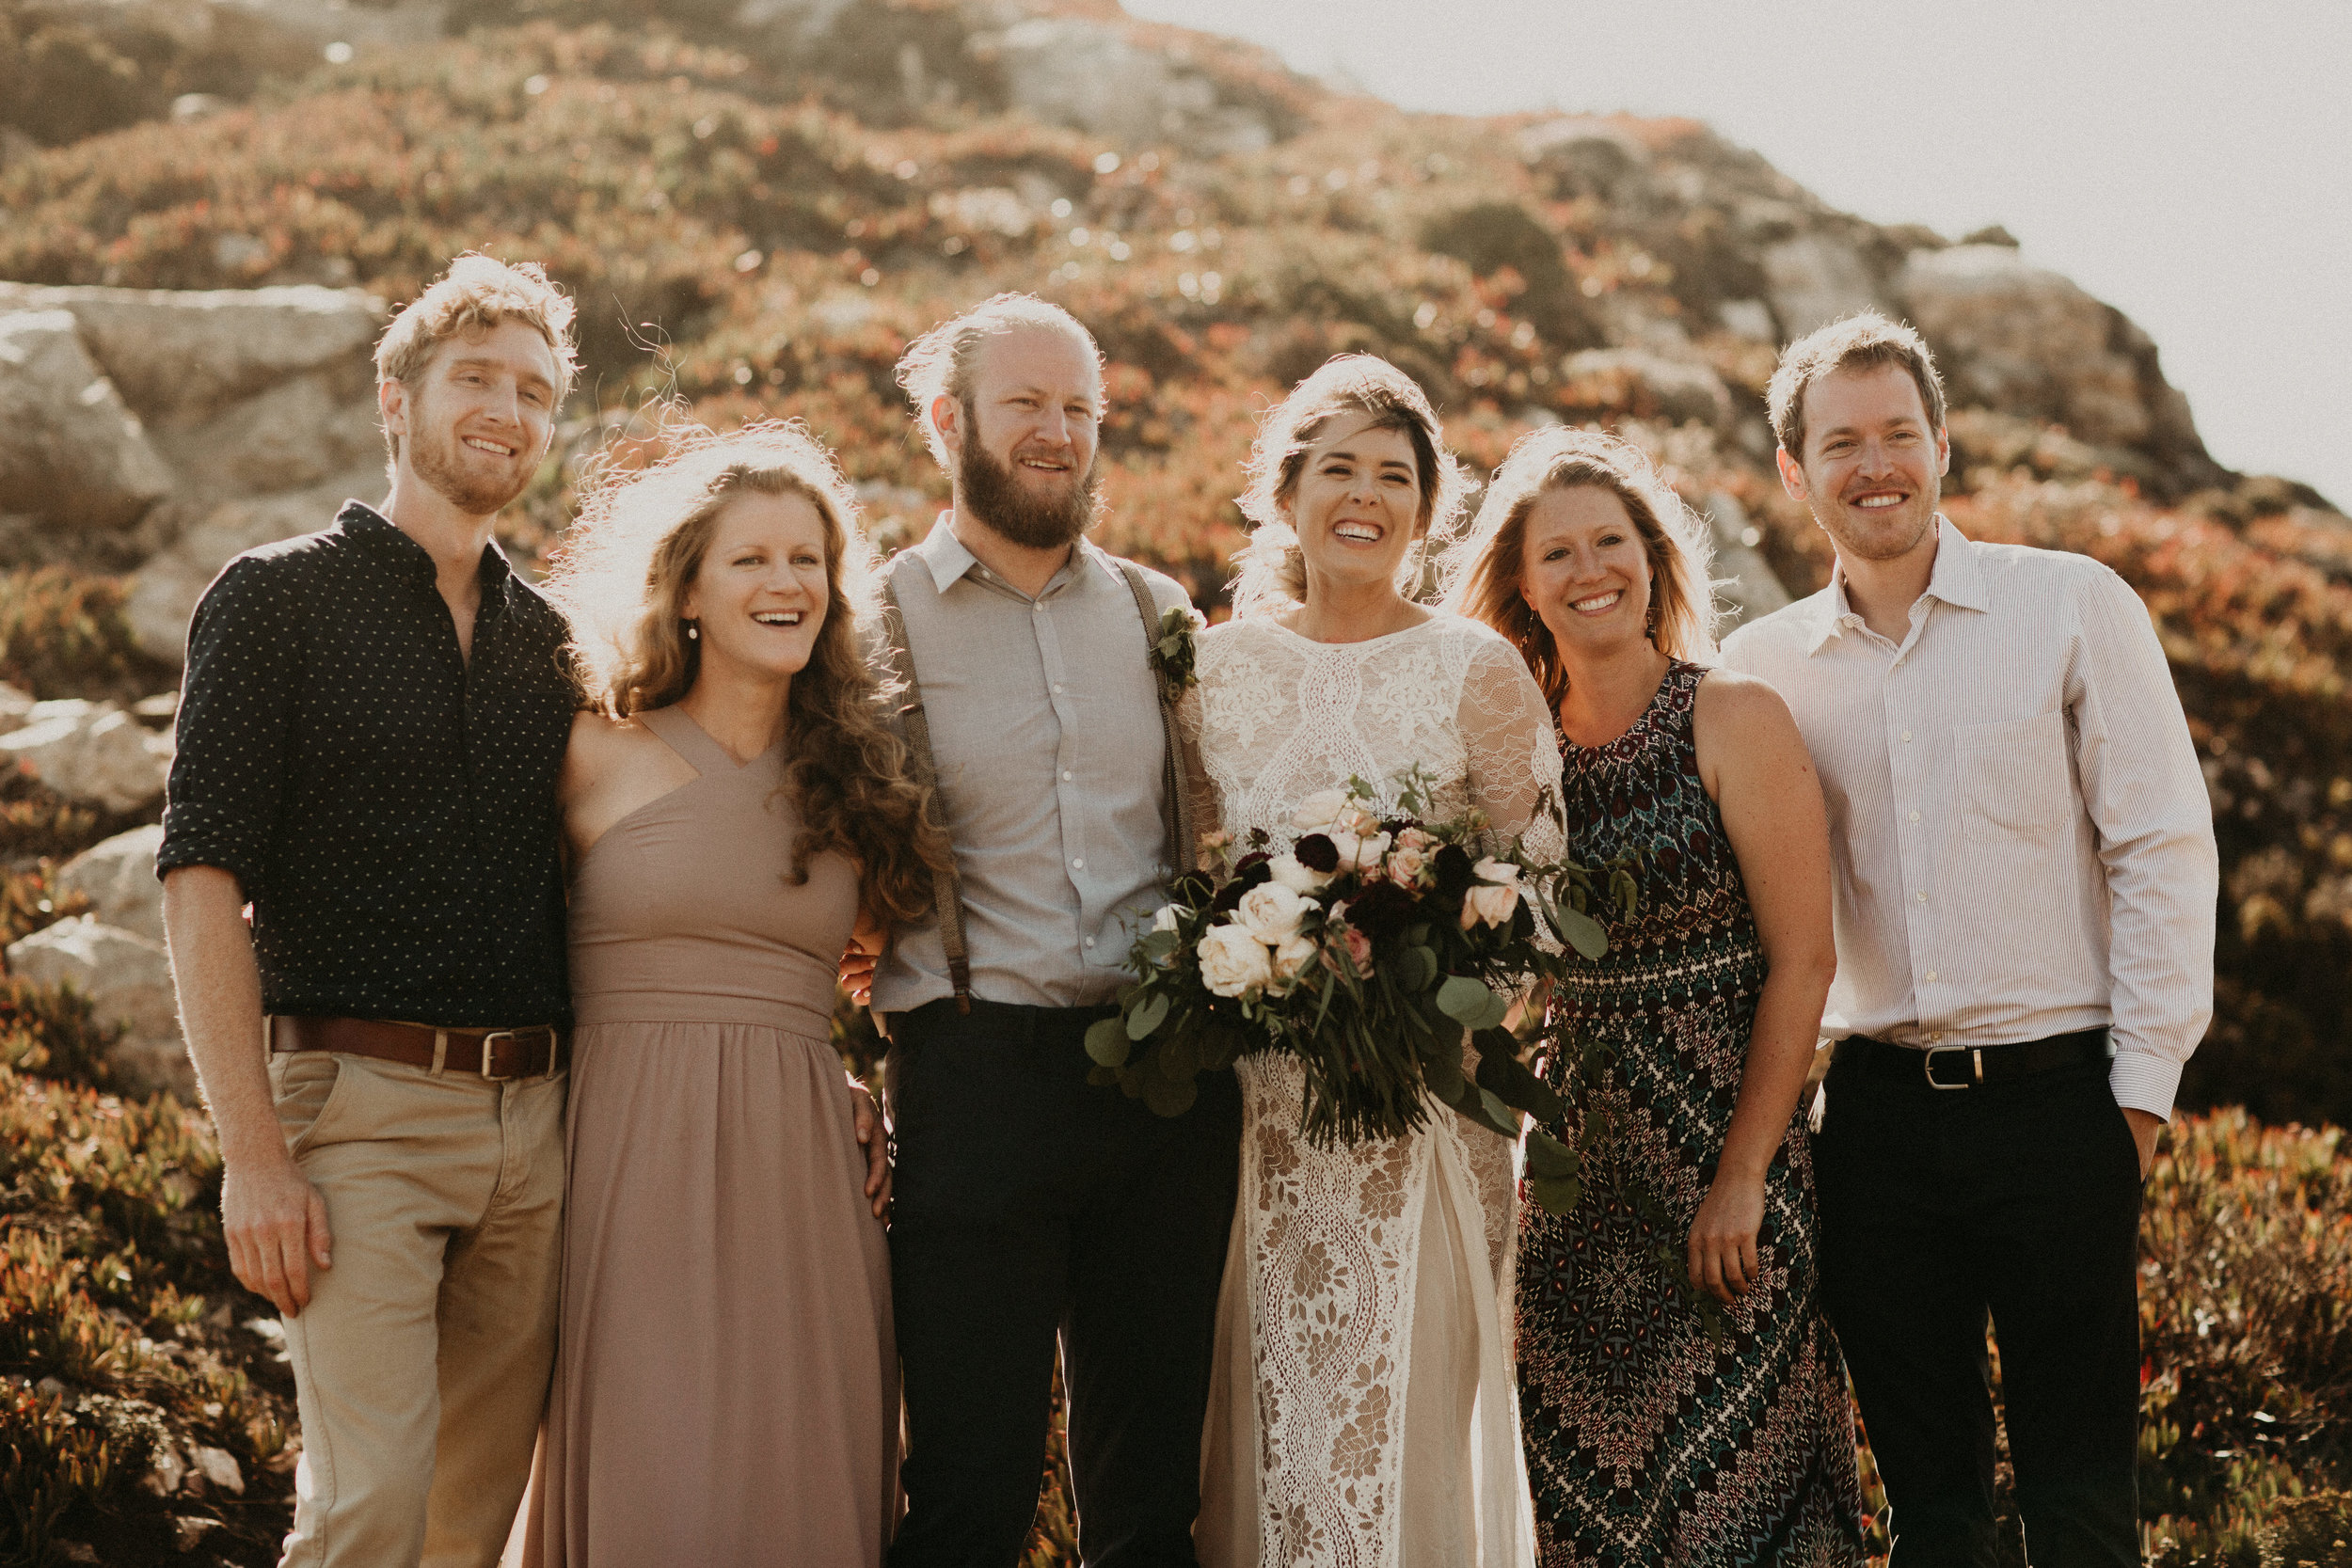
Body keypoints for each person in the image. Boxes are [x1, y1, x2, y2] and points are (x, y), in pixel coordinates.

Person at [1720, 312, 2218, 1566]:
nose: (1874, 462)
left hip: (2064, 1104)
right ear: (1794, 471)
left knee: (2084, 1497)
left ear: (1943, 444)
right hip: (1878, 1126)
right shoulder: (1761, 663)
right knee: (1935, 1514)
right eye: (1841, 442)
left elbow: (2160, 845)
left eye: (1899, 433)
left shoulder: (2069, 605)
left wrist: (2139, 1103)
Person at [158, 255, 580, 1567]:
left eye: (538, 390)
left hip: (542, 1128)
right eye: (477, 377)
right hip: (357, 1122)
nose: (508, 409)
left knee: (475, 1522)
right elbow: (199, 882)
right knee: (368, 1510)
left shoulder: (558, 643)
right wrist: (255, 1153)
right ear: (395, 399)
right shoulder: (273, 599)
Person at [868, 293, 1243, 1568]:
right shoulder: (874, 619)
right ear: (946, 421)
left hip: (1166, 1083)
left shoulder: (1155, 610)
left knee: (1149, 1507)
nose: (1057, 431)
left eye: (1079, 408)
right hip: (973, 1073)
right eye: (1026, 402)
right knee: (969, 1488)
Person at [1448, 426, 1864, 1566]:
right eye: (1558, 554)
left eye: (1610, 542)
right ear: (1523, 587)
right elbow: (1505, 972)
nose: (1590, 571)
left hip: (1726, 1168)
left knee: (1741, 1499)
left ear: (1653, 556)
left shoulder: (1730, 713)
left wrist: (1742, 1175)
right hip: (1576, 1190)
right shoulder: (1510, 745)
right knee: (1582, 1510)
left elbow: (1804, 962)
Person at [524, 422, 935, 1565]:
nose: (785, 582)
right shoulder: (589, 752)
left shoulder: (853, 781)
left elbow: (865, 972)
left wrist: (850, 1076)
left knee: (795, 1473)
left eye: (807, 560)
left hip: (805, 1170)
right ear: (688, 588)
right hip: (623, 1159)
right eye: (751, 558)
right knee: (656, 1471)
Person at [1190, 355, 1559, 1568]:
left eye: (1392, 475)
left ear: (1425, 504)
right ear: (1285, 494)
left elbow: (1533, 895)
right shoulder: (1217, 668)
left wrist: (1432, 1011)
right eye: (1336, 468)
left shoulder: (1474, 669)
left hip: (1424, 1116)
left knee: (1402, 1438)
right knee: (1266, 1435)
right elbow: (1191, 883)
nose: (1363, 495)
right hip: (1251, 1124)